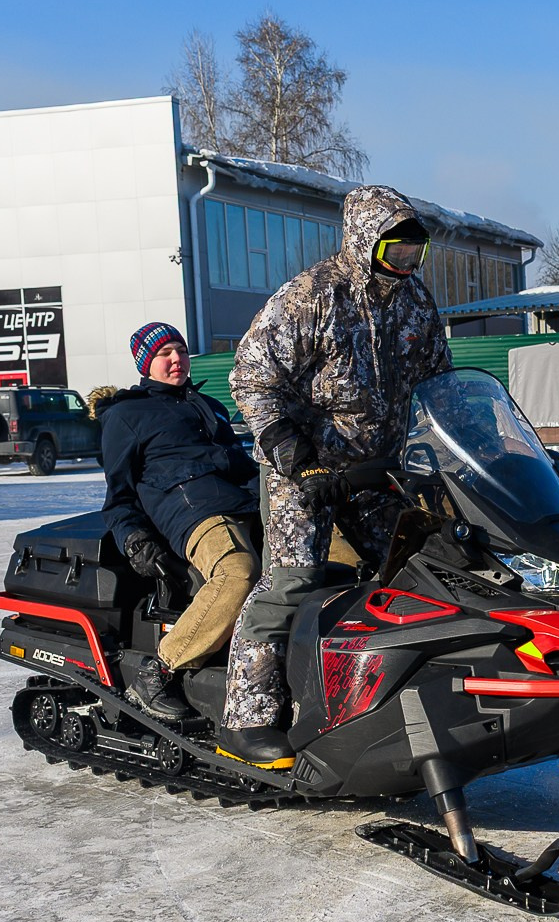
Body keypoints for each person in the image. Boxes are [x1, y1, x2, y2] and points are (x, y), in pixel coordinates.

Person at [218, 186, 451, 767]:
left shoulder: (415, 303)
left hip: (380, 468)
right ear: (365, 242)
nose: (406, 265)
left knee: (416, 566)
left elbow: (441, 385)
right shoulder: (313, 295)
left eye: (414, 255)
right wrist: (289, 450)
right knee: (293, 581)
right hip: (310, 468)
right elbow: (250, 373)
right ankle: (246, 718)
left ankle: (383, 696)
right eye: (395, 252)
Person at [95, 322, 261, 721]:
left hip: (247, 502)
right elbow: (118, 496)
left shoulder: (210, 406)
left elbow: (243, 465)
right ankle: (161, 669)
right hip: (192, 511)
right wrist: (134, 538)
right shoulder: (127, 415)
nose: (176, 360)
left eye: (181, 351)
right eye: (164, 353)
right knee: (237, 571)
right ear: (145, 362)